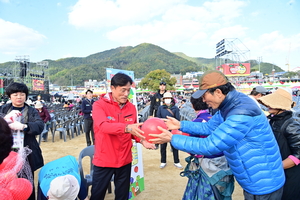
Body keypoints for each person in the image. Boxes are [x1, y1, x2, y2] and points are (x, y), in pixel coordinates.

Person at [150, 70, 285, 200]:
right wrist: (181, 125)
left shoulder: (241, 114)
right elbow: (209, 127)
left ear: (218, 92)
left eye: (204, 95)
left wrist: (172, 138)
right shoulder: (229, 105)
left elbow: (209, 145)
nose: (203, 100)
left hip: (264, 182)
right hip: (254, 178)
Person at [90, 72, 155, 200]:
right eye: (123, 90)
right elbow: (103, 126)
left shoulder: (131, 107)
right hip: (104, 160)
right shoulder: (99, 105)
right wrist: (126, 128)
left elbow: (134, 130)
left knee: (122, 196)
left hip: (124, 159)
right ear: (112, 88)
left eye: (128, 90)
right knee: (97, 195)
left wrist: (142, 140)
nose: (126, 94)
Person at [181, 96, 234, 200]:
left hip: (206, 166)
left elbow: (193, 148)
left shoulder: (196, 122)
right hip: (223, 164)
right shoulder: (216, 119)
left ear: (192, 105)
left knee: (205, 193)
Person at [0, 82, 44, 200]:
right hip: (6, 154)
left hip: (26, 152)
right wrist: (5, 121)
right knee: (6, 180)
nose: (19, 97)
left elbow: (40, 125)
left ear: (26, 96)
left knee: (26, 181)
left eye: (22, 94)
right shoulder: (3, 109)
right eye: (15, 94)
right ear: (9, 96)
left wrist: (24, 126)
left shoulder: (31, 111)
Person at [258, 88, 300, 200]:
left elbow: (298, 154)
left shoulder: (291, 124)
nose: (268, 105)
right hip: (278, 172)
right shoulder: (273, 120)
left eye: (272, 103)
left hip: (290, 174)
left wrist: (276, 167)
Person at [157, 92, 182, 169]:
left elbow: (177, 119)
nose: (167, 100)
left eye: (169, 98)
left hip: (173, 130)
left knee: (174, 146)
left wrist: (173, 126)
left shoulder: (175, 108)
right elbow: (158, 118)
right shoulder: (160, 108)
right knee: (163, 146)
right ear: (164, 99)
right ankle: (163, 161)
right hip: (163, 129)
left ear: (171, 99)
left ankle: (176, 161)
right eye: (166, 98)